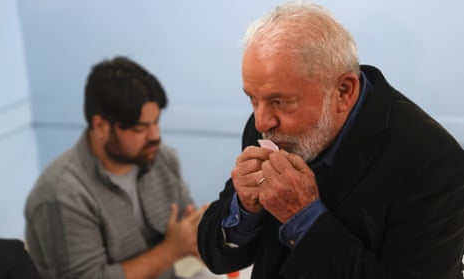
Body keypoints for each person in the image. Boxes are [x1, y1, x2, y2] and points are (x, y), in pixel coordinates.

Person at [197, 1, 464, 279]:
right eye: (252, 98)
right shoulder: (264, 126)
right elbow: (217, 257)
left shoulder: (435, 163)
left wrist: (304, 219)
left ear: (344, 92)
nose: (261, 121)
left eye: (280, 101)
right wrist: (244, 208)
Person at [25, 56, 208, 279]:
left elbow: (188, 228)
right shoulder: (62, 193)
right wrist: (170, 251)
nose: (155, 136)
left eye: (156, 122)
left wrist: (205, 238)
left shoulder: (162, 159)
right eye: (140, 128)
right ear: (101, 126)